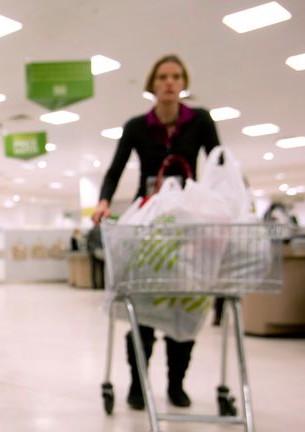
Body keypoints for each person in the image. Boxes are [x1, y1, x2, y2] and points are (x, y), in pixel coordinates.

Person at [92, 54, 220, 410]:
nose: (169, 82)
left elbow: (218, 161)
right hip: (146, 223)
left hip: (186, 224)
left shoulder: (201, 120)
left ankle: (176, 385)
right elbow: (115, 169)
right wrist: (104, 202)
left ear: (183, 83)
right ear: (152, 84)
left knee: (184, 307)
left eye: (176, 76)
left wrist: (228, 203)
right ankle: (137, 384)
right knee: (143, 310)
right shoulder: (136, 126)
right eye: (163, 76)